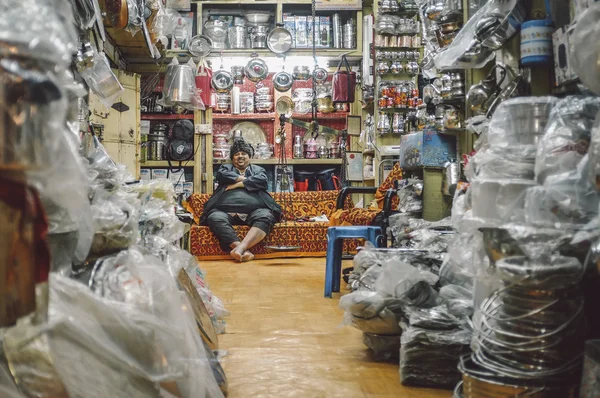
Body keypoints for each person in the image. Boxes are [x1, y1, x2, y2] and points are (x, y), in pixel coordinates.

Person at [200, 138, 281, 262]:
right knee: (214, 217)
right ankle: (242, 250)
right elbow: (222, 176)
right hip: (224, 212)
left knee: (266, 216)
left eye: (243, 154)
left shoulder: (258, 170)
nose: (240, 156)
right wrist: (244, 179)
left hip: (255, 211)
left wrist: (236, 185)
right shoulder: (225, 168)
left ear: (249, 156)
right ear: (232, 158)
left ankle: (241, 248)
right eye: (237, 154)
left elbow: (262, 180)